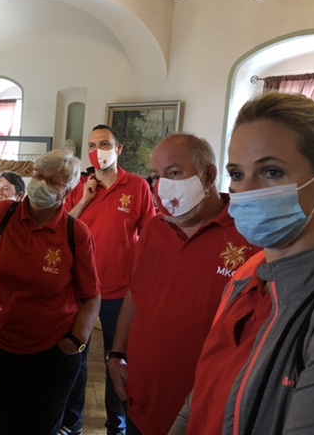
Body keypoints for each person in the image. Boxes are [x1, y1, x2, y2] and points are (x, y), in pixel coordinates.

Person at [170, 92, 314, 435]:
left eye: (271, 171)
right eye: (237, 174)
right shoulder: (246, 282)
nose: (247, 190)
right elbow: (200, 401)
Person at [108, 134, 260, 435]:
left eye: (174, 173)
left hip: (207, 413)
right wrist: (117, 353)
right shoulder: (154, 229)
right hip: (143, 400)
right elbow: (136, 295)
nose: (162, 185)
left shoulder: (250, 234)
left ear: (209, 175)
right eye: (155, 176)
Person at [0, 149, 101, 435]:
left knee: (40, 428)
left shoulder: (75, 233)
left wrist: (76, 341)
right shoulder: (3, 214)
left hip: (52, 352)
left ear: (67, 190)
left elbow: (91, 295)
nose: (41, 184)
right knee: (3, 423)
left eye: (53, 181)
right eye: (38, 176)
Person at [62, 124, 156, 435]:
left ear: (118, 149)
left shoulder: (137, 187)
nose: (97, 151)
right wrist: (85, 200)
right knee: (76, 359)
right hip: (80, 290)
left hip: (120, 291)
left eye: (104, 144)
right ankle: (73, 422)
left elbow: (150, 236)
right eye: (91, 145)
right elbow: (61, 228)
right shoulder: (79, 187)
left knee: (117, 361)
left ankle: (117, 425)